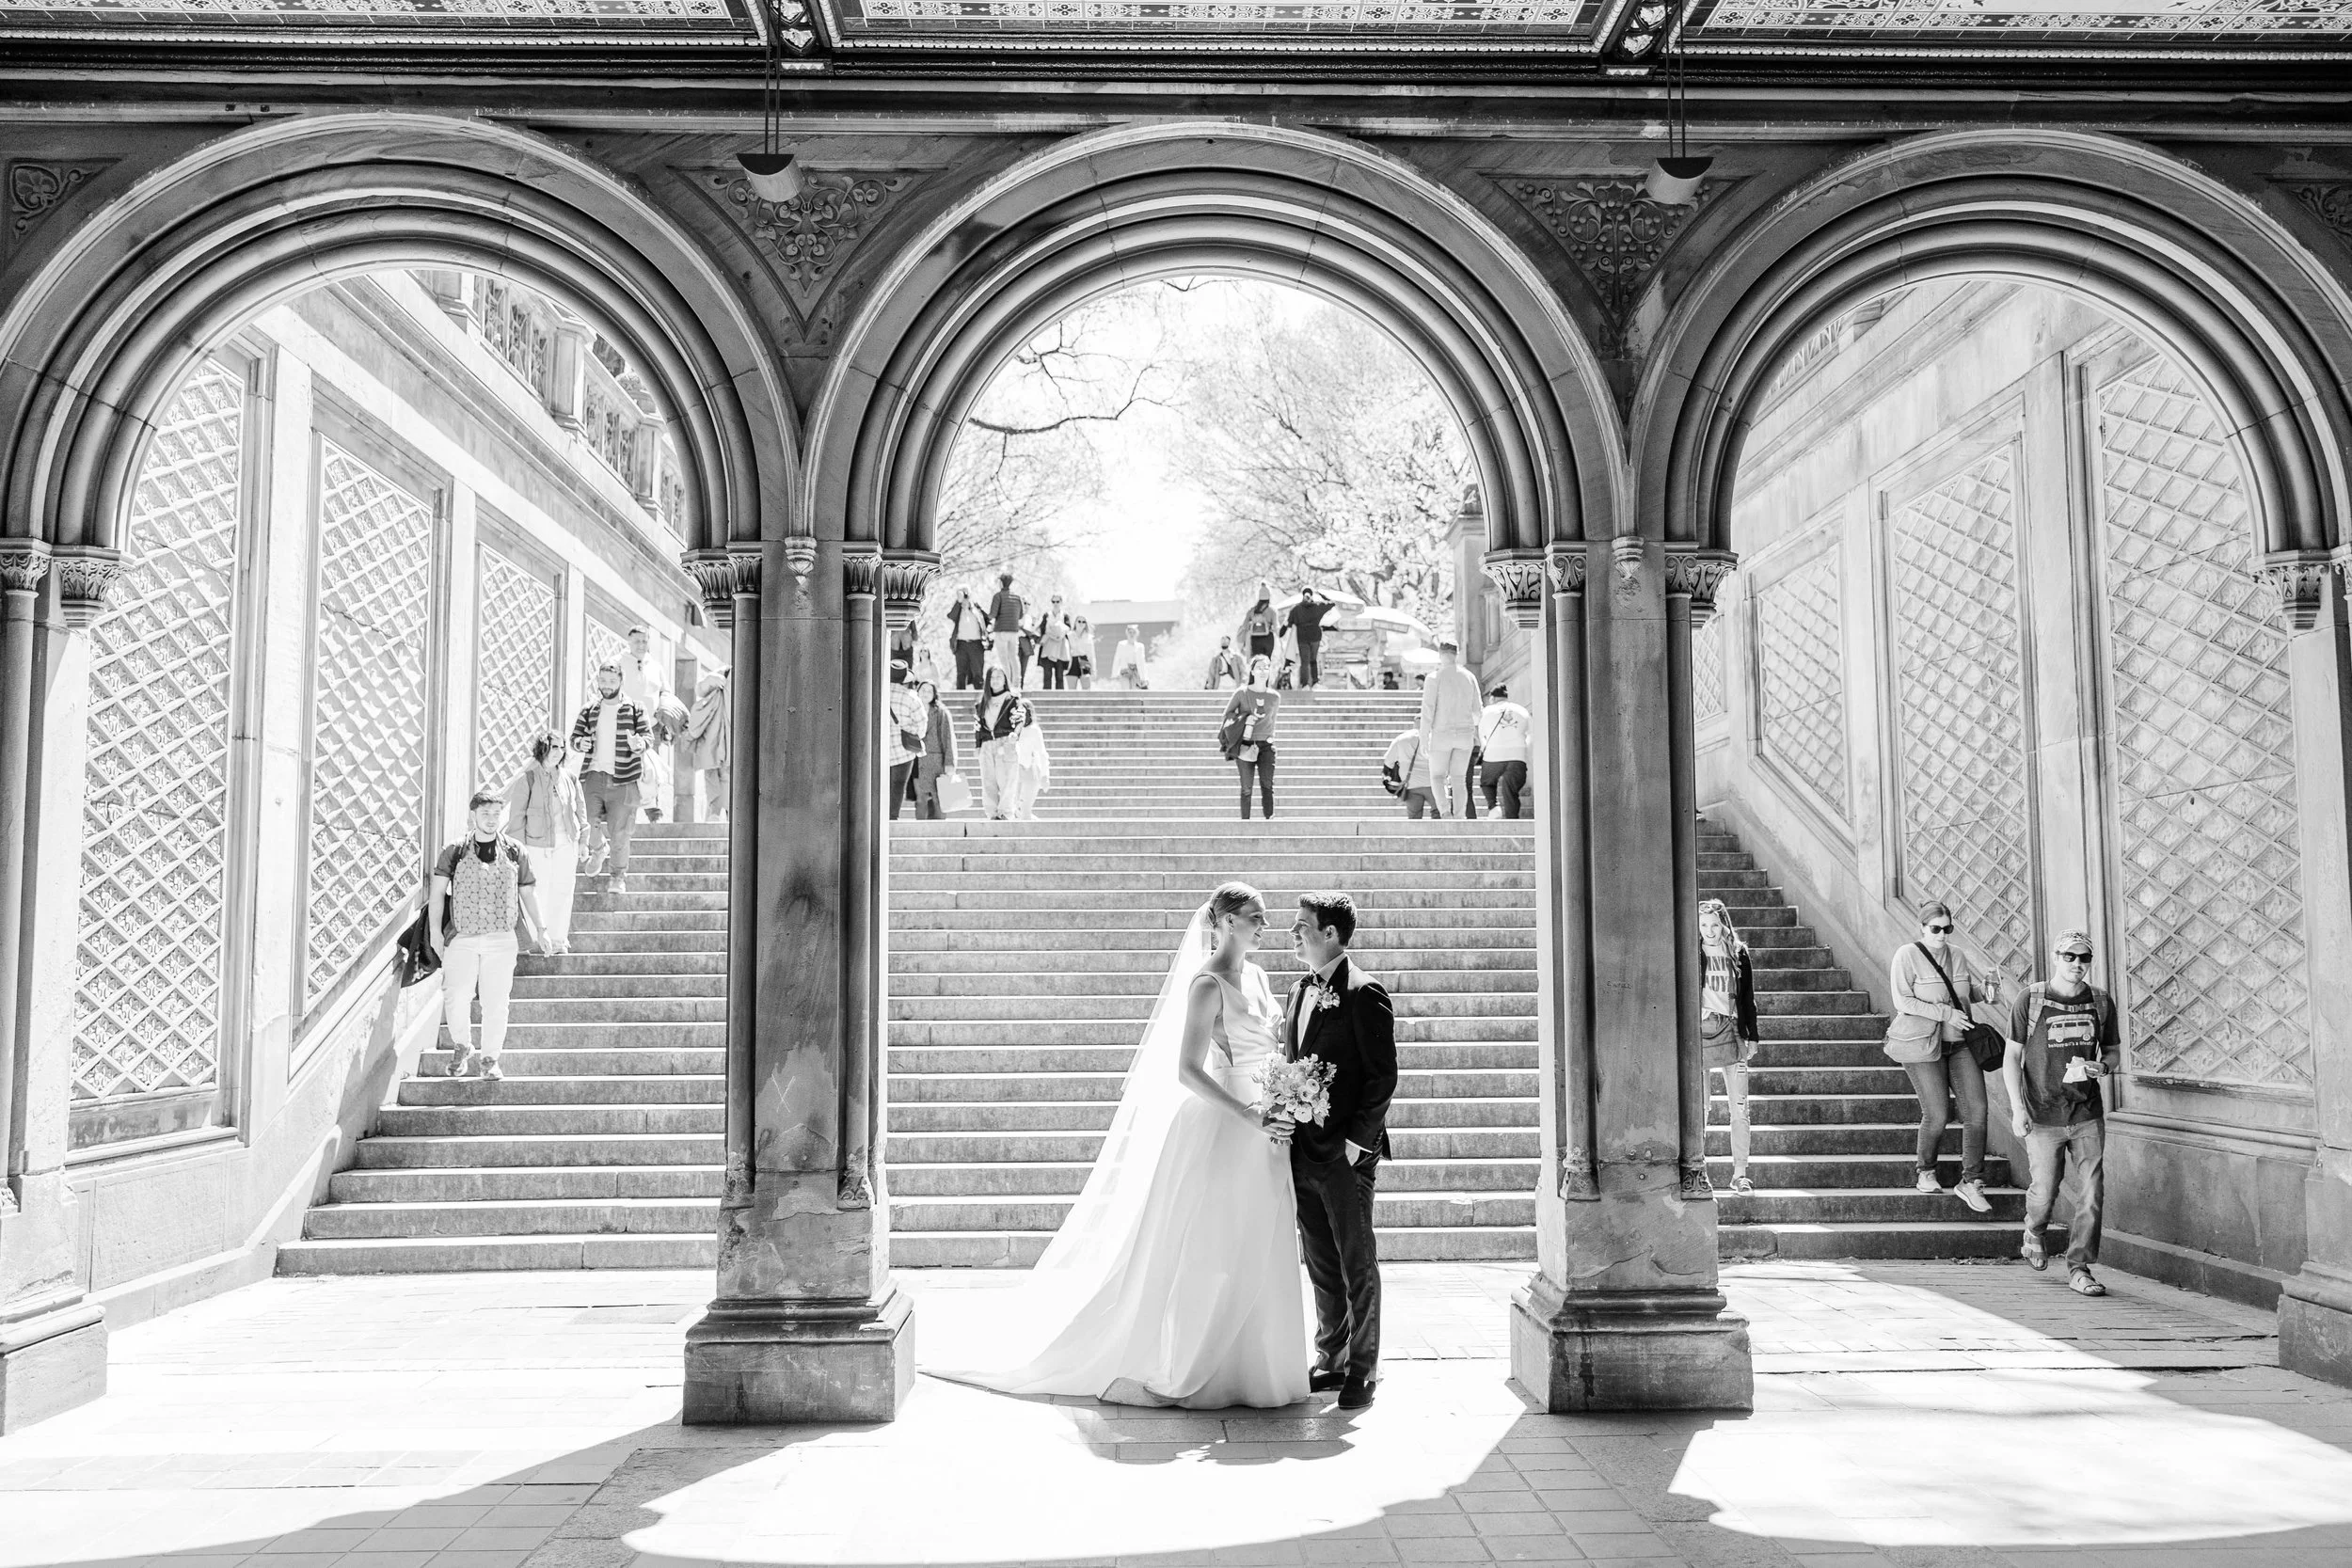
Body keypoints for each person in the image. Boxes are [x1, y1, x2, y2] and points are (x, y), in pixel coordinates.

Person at [928, 883, 1307, 1409]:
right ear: (1224, 922)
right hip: (1226, 1124)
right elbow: (1187, 1070)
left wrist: (1287, 1096)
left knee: (1261, 1238)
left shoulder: (1262, 978)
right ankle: (1201, 1365)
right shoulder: (1207, 985)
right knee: (1214, 1243)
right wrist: (1245, 1113)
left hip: (1268, 1128)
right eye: (1254, 916)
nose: (1265, 925)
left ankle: (1258, 1368)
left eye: (1263, 916)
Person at [1280, 892, 1397, 1411]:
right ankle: (1331, 1356)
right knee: (1321, 1261)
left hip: (1347, 1155)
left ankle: (1364, 1369)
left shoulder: (1364, 992)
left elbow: (1382, 1077)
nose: (1293, 933)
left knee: (1356, 1261)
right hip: (1302, 1150)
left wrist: (1356, 1144)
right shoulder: (1297, 990)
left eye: (1302, 925)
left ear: (1330, 933)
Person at [2004, 929, 2122, 1296]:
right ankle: (2034, 1230)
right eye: (2069, 956)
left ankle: (2079, 1267)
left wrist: (2103, 1067)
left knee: (2092, 1191)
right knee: (2044, 1191)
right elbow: (2012, 1057)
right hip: (2042, 1113)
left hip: (2086, 1111)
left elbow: (2113, 1051)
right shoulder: (2031, 999)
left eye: (2084, 957)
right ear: (2056, 958)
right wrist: (2017, 1109)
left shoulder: (2100, 1001)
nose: (2076, 964)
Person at [1883, 900, 2002, 1213]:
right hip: (1924, 1044)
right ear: (1922, 927)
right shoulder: (1907, 955)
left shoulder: (1957, 955)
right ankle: (1925, 1170)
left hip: (1961, 1044)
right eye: (1935, 929)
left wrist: (1985, 990)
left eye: (1947, 929)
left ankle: (1972, 1181)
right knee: (1937, 1113)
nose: (1942, 935)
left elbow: (1962, 993)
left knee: (1977, 1111)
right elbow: (1902, 1001)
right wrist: (1945, 1014)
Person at [431, 790, 550, 1083]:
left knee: (496, 1002)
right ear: (473, 815)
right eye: (485, 813)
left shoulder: (514, 850)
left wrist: (542, 928)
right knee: (456, 994)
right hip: (462, 935)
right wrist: (435, 932)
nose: (491, 819)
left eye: (496, 814)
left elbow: (528, 892)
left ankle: (489, 1059)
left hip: (502, 936)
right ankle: (462, 1045)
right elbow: (437, 894)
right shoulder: (455, 851)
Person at [568, 660, 650, 895]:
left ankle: (617, 877)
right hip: (593, 776)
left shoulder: (635, 708)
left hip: (625, 778)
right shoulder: (589, 709)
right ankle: (598, 849)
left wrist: (638, 744)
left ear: (621, 681)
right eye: (603, 680)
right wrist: (580, 743)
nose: (607, 685)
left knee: (621, 832)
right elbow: (574, 738)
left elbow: (647, 738)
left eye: (612, 681)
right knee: (585, 823)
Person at [1698, 898, 1761, 1195]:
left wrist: (1753, 1035)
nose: (1709, 931)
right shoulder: (1693, 951)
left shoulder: (1738, 952)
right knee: (1700, 1107)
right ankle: (1696, 1170)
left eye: (1714, 925)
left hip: (1733, 1030)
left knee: (1739, 1107)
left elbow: (1748, 996)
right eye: (1703, 925)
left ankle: (1740, 1173)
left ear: (1724, 925)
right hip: (1700, 1033)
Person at [503, 731, 585, 954]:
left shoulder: (570, 779)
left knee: (563, 891)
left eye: (562, 747)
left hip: (567, 843)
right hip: (535, 845)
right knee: (537, 892)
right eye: (554, 747)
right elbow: (517, 819)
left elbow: (580, 812)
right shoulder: (527, 779)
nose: (558, 752)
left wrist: (583, 841)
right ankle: (536, 939)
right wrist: (517, 853)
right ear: (542, 749)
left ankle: (558, 940)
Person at [1416, 636, 1482, 820]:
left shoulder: (1434, 678)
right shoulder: (1469, 677)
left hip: (1441, 733)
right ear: (1457, 654)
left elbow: (1428, 711)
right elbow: (1478, 711)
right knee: (1459, 779)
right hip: (1465, 734)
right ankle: (1459, 815)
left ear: (1440, 654)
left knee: (1437, 777)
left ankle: (1445, 812)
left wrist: (1423, 736)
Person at [619, 626, 675, 822]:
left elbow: (665, 692)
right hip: (625, 724)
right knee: (627, 768)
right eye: (637, 641)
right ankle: (626, 814)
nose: (641, 645)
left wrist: (667, 719)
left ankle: (654, 813)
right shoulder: (619, 662)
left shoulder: (656, 666)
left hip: (651, 726)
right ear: (629, 641)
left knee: (652, 769)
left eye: (644, 641)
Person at [1220, 655, 1279, 820]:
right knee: (1246, 788)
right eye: (1259, 667)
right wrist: (1245, 719)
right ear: (1252, 671)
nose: (1263, 671)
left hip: (1267, 746)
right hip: (1245, 744)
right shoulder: (1242, 693)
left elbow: (1272, 721)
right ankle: (1245, 824)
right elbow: (1227, 715)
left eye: (1266, 667)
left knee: (1267, 785)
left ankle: (1269, 820)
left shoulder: (1275, 697)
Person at [974, 666, 1030, 821]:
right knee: (988, 781)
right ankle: (992, 812)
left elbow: (1019, 718)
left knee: (1007, 779)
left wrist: (1015, 734)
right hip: (987, 744)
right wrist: (978, 744)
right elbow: (977, 725)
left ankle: (1005, 812)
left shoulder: (1012, 699)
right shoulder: (983, 702)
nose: (995, 680)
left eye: (999, 677)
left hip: (1005, 742)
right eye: (992, 677)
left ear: (1005, 680)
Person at [1475, 684, 1532, 819]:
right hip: (1517, 756)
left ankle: (1494, 807)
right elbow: (1531, 733)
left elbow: (1481, 735)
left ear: (1492, 698)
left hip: (1493, 756)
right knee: (1511, 790)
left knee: (1487, 783)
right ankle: (1512, 819)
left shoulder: (1487, 711)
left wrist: (1484, 749)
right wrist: (1525, 752)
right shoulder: (1522, 711)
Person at [682, 668, 729, 822]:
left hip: (732, 745)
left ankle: (723, 817)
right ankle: (713, 816)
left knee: (731, 785)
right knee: (713, 786)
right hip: (713, 743)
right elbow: (700, 690)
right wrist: (710, 680)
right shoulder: (725, 672)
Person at [886, 658, 928, 822]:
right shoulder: (911, 697)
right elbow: (922, 723)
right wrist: (914, 733)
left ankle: (877, 815)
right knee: (898, 784)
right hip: (904, 748)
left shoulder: (877, 693)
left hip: (880, 747)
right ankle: (892, 816)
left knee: (880, 782)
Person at [913, 679, 958, 819]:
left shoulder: (941, 712)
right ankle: (920, 828)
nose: (925, 693)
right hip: (917, 761)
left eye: (929, 691)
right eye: (923, 690)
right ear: (917, 692)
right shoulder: (912, 710)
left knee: (939, 799)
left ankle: (940, 828)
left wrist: (949, 763)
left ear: (934, 694)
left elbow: (948, 738)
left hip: (936, 761)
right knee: (920, 800)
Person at [1284, 587, 1335, 689]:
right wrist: (1321, 594)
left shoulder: (1296, 609)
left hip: (1302, 637)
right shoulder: (1317, 607)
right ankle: (1315, 682)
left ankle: (1305, 684)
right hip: (1315, 637)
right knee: (1313, 660)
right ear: (1312, 595)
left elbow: (1289, 623)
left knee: (1304, 662)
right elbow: (1332, 603)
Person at [1381, 728, 1436, 819]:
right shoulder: (1434, 737)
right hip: (1433, 783)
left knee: (1414, 817)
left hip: (1411, 785)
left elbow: (1388, 762)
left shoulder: (1401, 738)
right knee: (1438, 813)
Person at [947, 583, 990, 690]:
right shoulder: (958, 609)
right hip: (961, 644)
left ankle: (980, 694)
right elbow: (951, 616)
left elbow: (987, 619)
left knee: (977, 672)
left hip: (976, 644)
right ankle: (960, 695)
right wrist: (959, 602)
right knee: (961, 673)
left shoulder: (976, 607)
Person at [989, 571, 1025, 681]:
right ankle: (1017, 680)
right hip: (1014, 631)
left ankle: (1007, 681)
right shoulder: (1017, 597)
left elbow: (993, 614)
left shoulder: (998, 596)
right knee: (1014, 657)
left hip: (1001, 631)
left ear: (1001, 582)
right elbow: (1021, 615)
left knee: (1003, 658)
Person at [1036, 593, 1073, 689]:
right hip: (1048, 647)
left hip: (1060, 648)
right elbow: (1042, 629)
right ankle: (1046, 696)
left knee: (1059, 676)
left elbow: (1069, 629)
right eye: (1053, 601)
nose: (1055, 603)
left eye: (1057, 601)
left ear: (1061, 602)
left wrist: (1060, 631)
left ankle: (1060, 696)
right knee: (1047, 675)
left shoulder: (1065, 615)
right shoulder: (1047, 615)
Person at [1238, 580, 1279, 663]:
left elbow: (1244, 626)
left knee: (1256, 662)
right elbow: (1276, 627)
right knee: (1267, 662)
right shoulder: (1272, 611)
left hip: (1255, 639)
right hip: (1268, 639)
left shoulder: (1252, 611)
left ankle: (1255, 671)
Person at [1111, 625, 1148, 689]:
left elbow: (1142, 662)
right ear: (1127, 633)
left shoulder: (1140, 646)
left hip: (1135, 672)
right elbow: (1117, 659)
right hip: (1125, 672)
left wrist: (1144, 678)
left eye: (1134, 632)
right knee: (1126, 690)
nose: (1132, 634)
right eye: (1130, 632)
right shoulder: (1121, 644)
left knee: (1134, 691)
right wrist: (1114, 674)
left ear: (1137, 634)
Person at [1070, 614, 1097, 689]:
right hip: (1072, 661)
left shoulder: (1089, 637)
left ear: (1086, 624)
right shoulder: (1069, 635)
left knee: (1087, 690)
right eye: (1079, 621)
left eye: (1083, 622)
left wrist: (1093, 670)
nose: (1081, 623)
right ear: (1075, 622)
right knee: (1071, 691)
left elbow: (1091, 655)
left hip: (1084, 661)